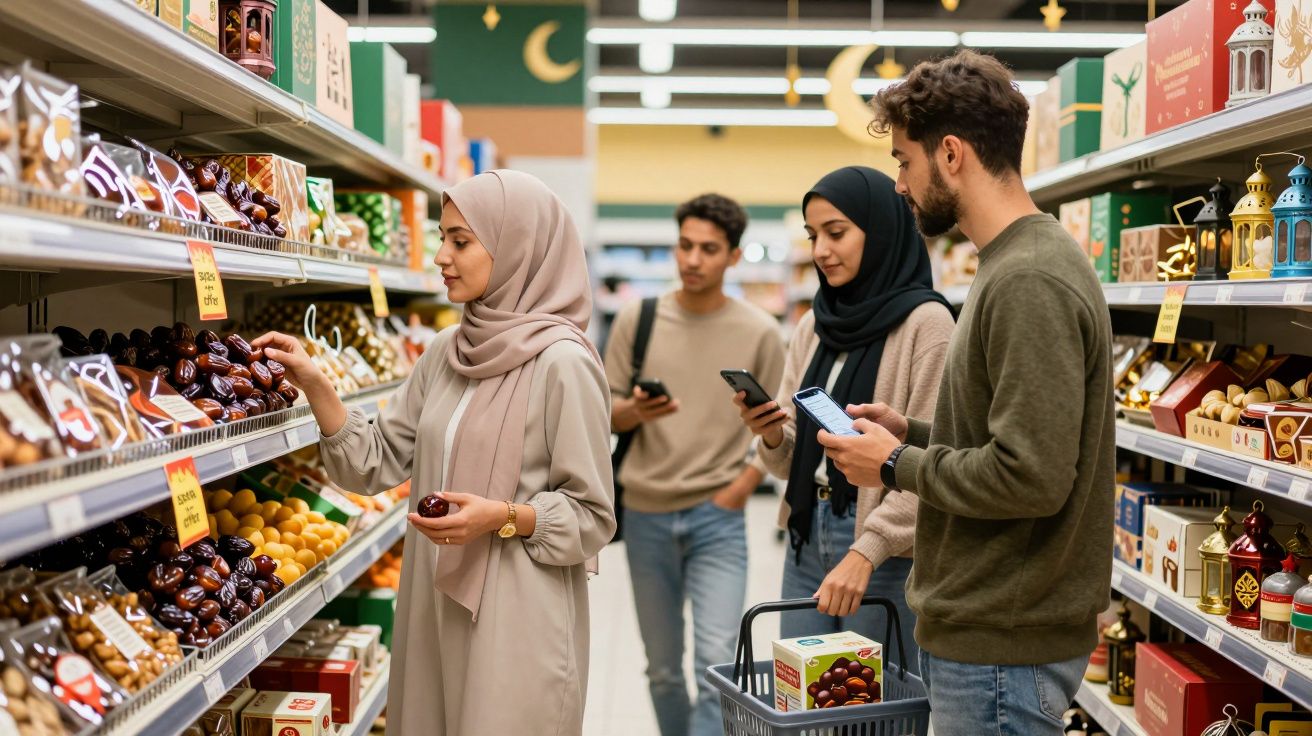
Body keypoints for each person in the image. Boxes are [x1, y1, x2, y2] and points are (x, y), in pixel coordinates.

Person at [814, 50, 1115, 735]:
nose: (898, 184)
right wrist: (913, 431)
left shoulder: (1028, 279)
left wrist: (893, 464)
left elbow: (1031, 476)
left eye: (903, 161)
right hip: (991, 639)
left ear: (951, 154)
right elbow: (1010, 435)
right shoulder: (1011, 265)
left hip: (1001, 649)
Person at [252, 170, 616, 735]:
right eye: (443, 237)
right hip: (433, 603)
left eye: (461, 241)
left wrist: (504, 517)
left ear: (518, 246)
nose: (442, 256)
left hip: (520, 612)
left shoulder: (563, 363)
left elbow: (592, 517)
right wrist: (314, 382)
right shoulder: (447, 350)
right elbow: (370, 461)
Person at [734, 166, 953, 674]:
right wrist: (769, 432)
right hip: (809, 533)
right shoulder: (816, 323)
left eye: (836, 233)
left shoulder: (929, 325)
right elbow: (790, 456)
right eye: (814, 236)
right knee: (807, 704)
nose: (821, 251)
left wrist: (866, 552)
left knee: (879, 712)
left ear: (879, 231)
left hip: (889, 553)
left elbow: (932, 464)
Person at [605, 193, 785, 736]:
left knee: (717, 666)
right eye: (685, 245)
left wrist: (744, 483)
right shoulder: (640, 320)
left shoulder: (760, 332)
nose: (693, 259)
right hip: (645, 514)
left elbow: (780, 429)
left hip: (718, 516)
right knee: (661, 670)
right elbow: (606, 411)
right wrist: (634, 410)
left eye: (709, 249)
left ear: (733, 257)